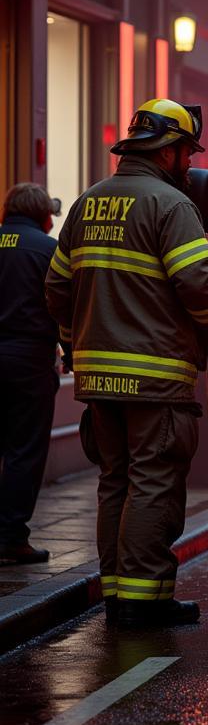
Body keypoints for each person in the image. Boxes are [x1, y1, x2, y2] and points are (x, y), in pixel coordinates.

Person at [45, 99, 208, 629]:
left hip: (98, 380)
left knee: (115, 481)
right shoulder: (171, 206)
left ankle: (118, 596)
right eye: (187, 152)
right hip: (155, 376)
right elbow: (198, 285)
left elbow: (55, 287)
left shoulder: (87, 203)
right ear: (168, 151)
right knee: (153, 482)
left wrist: (76, 345)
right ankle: (144, 603)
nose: (189, 162)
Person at [0, 184, 61, 565]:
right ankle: (10, 538)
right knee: (24, 451)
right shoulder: (47, 251)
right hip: (29, 362)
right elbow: (63, 306)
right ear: (44, 216)